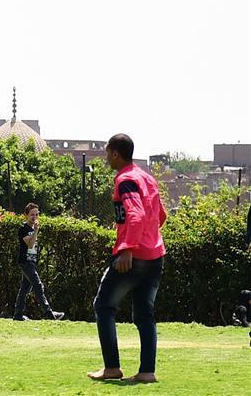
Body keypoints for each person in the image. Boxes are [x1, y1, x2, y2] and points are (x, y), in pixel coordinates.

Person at [88, 134, 167, 383]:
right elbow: (160, 215)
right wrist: (149, 239)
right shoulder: (147, 178)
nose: (105, 157)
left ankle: (112, 367)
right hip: (156, 256)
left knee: (103, 306)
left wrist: (128, 248)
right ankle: (146, 372)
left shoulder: (125, 179)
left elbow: (134, 214)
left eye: (107, 152)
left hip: (132, 256)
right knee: (145, 314)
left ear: (115, 154)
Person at [12, 203, 65, 321]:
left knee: (24, 289)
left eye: (36, 214)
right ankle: (50, 314)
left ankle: (18, 315)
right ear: (26, 215)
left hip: (31, 261)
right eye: (32, 215)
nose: (35, 217)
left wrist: (35, 230)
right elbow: (30, 244)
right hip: (25, 261)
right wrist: (36, 231)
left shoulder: (32, 229)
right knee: (38, 285)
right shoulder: (23, 228)